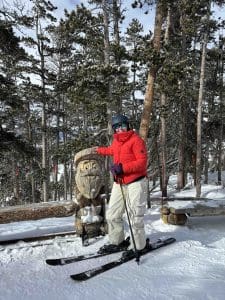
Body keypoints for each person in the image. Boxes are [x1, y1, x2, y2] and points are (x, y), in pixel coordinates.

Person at [93, 114, 149, 256]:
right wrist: (99, 150)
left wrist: (122, 168)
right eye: (117, 127)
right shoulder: (117, 141)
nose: (120, 129)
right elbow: (112, 150)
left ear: (128, 125)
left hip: (136, 182)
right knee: (112, 215)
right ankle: (117, 241)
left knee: (134, 216)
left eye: (122, 126)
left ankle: (139, 246)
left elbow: (142, 162)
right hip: (120, 183)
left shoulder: (136, 141)